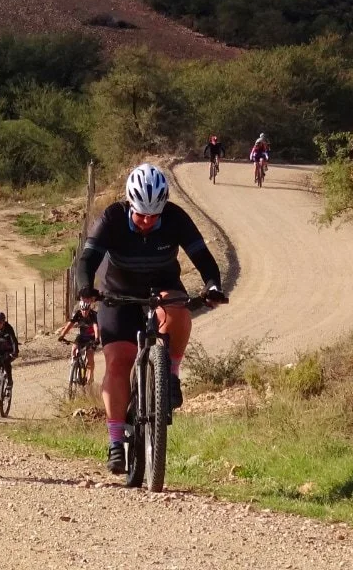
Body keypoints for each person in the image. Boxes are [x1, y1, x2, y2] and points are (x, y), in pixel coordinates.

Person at [76, 162, 226, 475]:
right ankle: (116, 441)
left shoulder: (175, 218)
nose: (147, 221)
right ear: (130, 204)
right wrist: (85, 288)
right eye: (141, 214)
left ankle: (169, 374)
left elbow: (202, 257)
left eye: (154, 215)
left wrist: (213, 286)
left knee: (179, 310)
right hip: (119, 291)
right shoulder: (114, 217)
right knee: (118, 360)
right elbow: (88, 258)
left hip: (163, 285)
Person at [57, 296, 99, 384]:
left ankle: (90, 377)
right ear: (80, 309)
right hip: (82, 336)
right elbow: (70, 325)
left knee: (90, 356)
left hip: (91, 338)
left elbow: (96, 327)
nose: (85, 312)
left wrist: (97, 338)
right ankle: (74, 365)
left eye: (86, 310)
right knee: (74, 348)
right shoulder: (78, 314)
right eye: (83, 310)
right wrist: (62, 335)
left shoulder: (93, 315)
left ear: (89, 308)